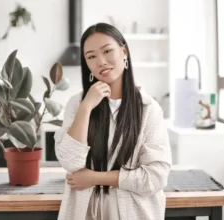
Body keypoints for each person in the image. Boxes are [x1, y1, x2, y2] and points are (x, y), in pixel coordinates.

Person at [54, 22, 172, 220]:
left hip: (133, 213)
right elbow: (70, 162)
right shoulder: (77, 104)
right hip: (84, 212)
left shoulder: (148, 109)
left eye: (107, 51)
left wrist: (95, 178)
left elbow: (155, 177)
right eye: (91, 56)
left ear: (124, 52)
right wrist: (86, 107)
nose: (101, 61)